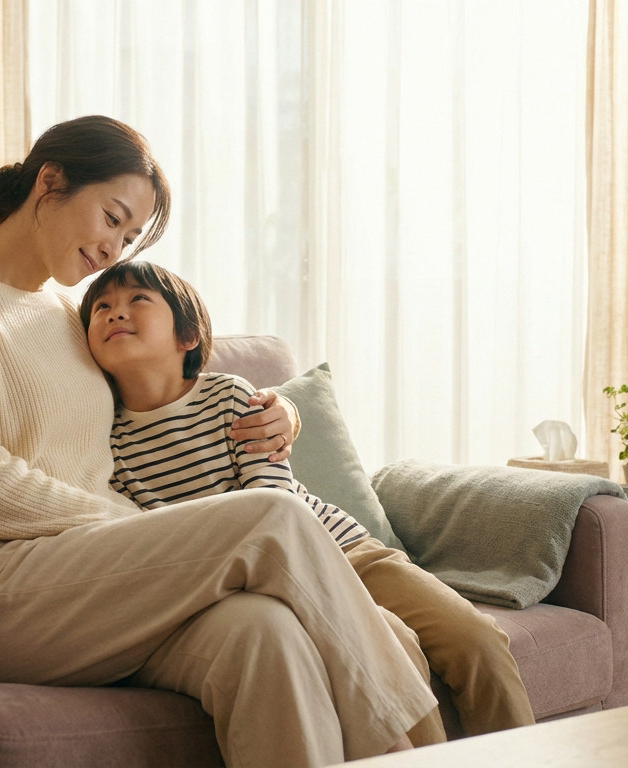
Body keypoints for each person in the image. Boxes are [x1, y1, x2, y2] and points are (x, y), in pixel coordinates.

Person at [0, 115, 438, 766]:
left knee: (265, 634)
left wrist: (283, 407)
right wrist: (128, 522)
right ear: (50, 182)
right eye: (112, 218)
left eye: (130, 235)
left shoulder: (71, 318)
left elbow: (168, 399)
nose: (115, 248)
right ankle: (413, 751)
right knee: (270, 517)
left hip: (96, 578)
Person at [77, 258, 538, 737]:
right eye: (101, 308)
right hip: (260, 583)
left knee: (476, 637)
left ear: (187, 336)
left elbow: (273, 500)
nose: (115, 313)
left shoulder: (230, 397)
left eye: (137, 300)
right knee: (392, 643)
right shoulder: (109, 443)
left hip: (344, 551)